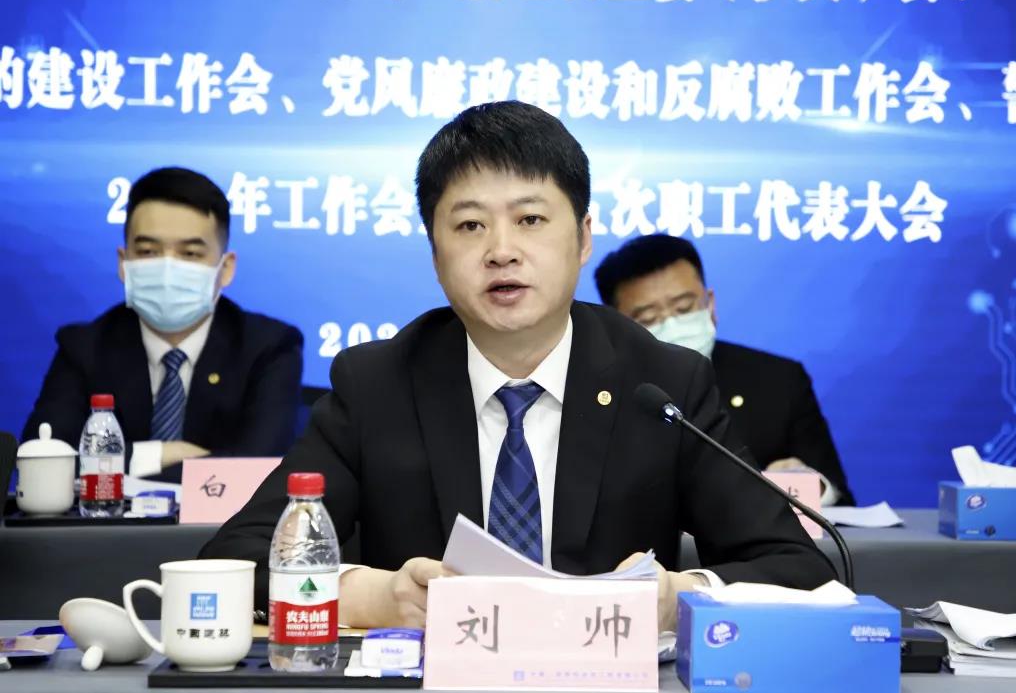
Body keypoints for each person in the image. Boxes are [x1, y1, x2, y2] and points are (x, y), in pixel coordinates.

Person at [201, 101, 834, 632]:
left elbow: (798, 568)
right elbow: (237, 559)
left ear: (583, 237)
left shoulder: (661, 383)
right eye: (470, 225)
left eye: (530, 219)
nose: (501, 251)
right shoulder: (378, 385)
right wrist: (375, 597)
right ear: (434, 253)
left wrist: (676, 599)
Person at [22, 167, 303, 482]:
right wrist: (158, 455)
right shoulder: (85, 347)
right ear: (124, 263)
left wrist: (119, 462)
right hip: (107, 516)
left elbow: (259, 468)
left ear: (225, 269)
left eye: (190, 253)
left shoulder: (268, 347)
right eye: (148, 251)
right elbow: (44, 457)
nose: (168, 267)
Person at [594, 234, 855, 506]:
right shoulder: (593, 394)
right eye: (648, 318)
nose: (672, 326)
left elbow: (840, 501)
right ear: (615, 326)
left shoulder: (779, 381)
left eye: (684, 308)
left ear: (710, 304)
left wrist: (812, 487)